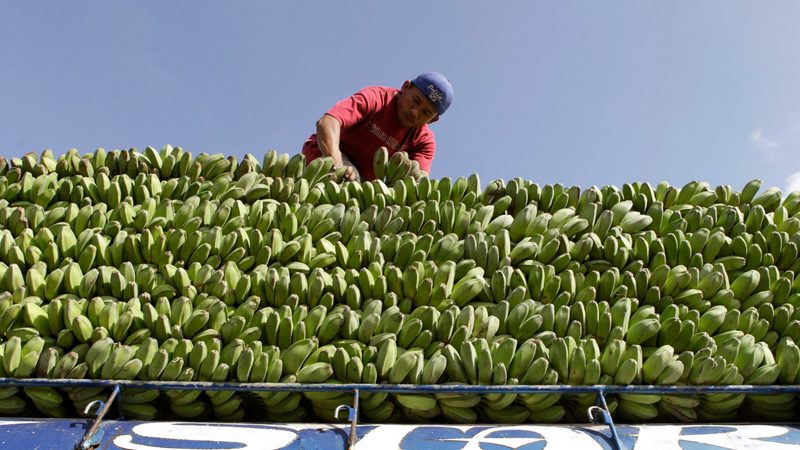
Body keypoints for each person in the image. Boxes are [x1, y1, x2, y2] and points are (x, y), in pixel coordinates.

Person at [301, 72, 453, 182]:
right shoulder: (377, 98)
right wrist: (337, 164)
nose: (415, 112)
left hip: (366, 183)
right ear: (405, 87)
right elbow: (328, 122)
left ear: (433, 120)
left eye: (426, 112)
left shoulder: (423, 141)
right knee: (350, 181)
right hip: (327, 155)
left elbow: (419, 180)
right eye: (416, 100)